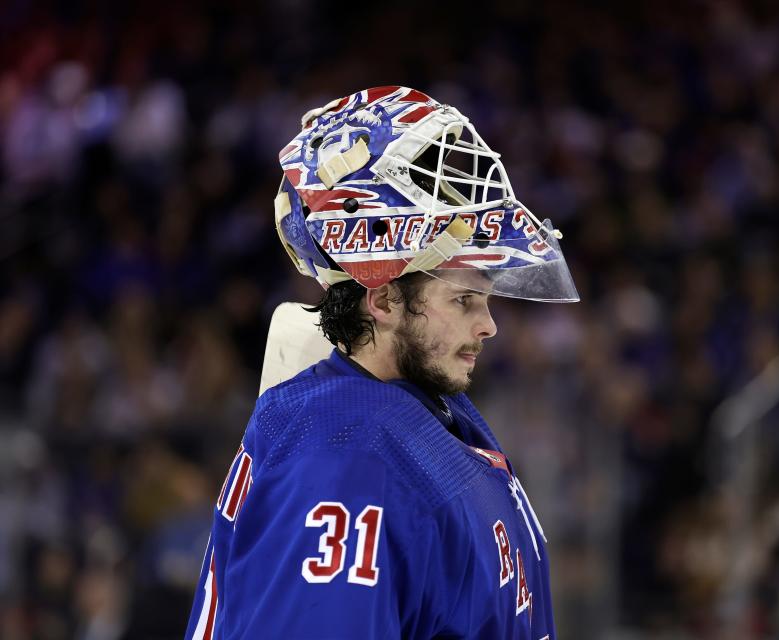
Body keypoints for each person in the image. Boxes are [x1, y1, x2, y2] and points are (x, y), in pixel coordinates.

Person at [184, 86, 579, 639]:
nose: (489, 325)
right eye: (464, 299)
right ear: (384, 299)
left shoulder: (413, 412)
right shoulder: (342, 459)